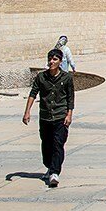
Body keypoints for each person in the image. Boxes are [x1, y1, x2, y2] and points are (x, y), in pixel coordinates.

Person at [22, 48, 74, 188]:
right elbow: (33, 93)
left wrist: (69, 114)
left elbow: (70, 98)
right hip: (45, 117)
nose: (51, 61)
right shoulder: (41, 77)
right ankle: (50, 166)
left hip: (60, 116)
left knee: (58, 144)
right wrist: (27, 111)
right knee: (46, 145)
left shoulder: (67, 78)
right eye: (50, 59)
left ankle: (55, 173)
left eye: (55, 59)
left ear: (60, 61)